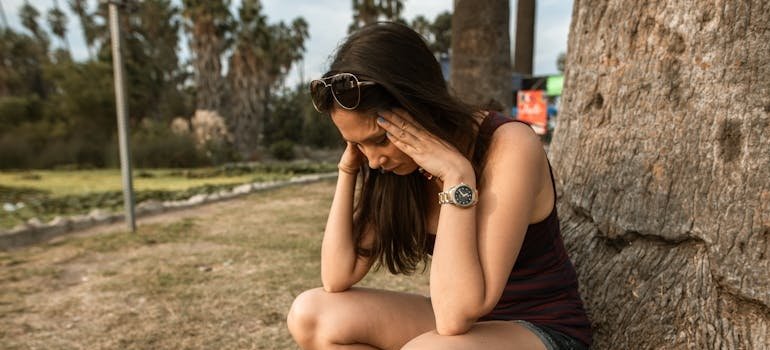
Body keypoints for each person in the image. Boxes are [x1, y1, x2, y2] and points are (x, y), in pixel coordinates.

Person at [287, 22, 592, 350]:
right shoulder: (393, 170)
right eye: (357, 144)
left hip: (539, 328)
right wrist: (348, 170)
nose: (374, 161)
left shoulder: (510, 145)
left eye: (379, 140)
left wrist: (457, 177)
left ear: (419, 107)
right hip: (459, 326)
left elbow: (455, 315)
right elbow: (337, 276)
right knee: (311, 314)